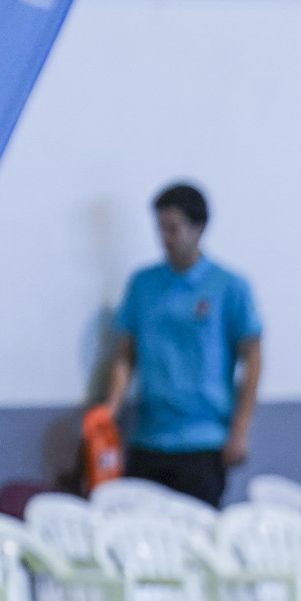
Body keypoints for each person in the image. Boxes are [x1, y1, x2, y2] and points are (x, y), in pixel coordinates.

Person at [102, 183, 262, 506]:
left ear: (198, 228)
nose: (166, 238)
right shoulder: (143, 284)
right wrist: (109, 411)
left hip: (203, 441)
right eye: (160, 228)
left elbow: (253, 358)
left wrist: (240, 430)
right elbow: (125, 356)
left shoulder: (228, 287)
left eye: (173, 228)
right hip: (149, 436)